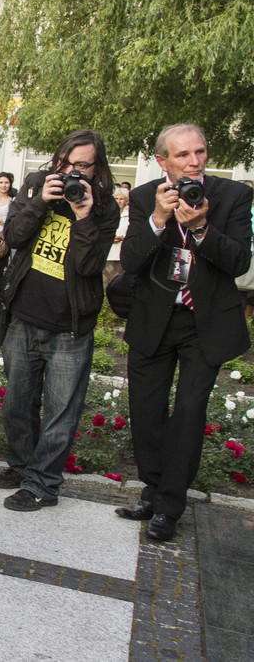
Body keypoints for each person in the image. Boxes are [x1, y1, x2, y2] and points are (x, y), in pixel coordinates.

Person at [117, 124, 253, 542]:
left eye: (200, 152)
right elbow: (131, 260)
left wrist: (201, 230)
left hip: (205, 323)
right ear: (163, 162)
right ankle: (153, 491)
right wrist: (159, 219)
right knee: (146, 411)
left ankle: (170, 507)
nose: (195, 161)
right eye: (183, 155)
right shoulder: (144, 198)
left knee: (189, 414)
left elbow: (238, 262)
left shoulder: (232, 196)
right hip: (155, 320)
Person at [0, 130, 121, 511]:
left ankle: (43, 484)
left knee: (60, 412)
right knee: (17, 403)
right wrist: (40, 204)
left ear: (97, 169)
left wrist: (83, 216)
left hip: (69, 326)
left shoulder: (104, 207)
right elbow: (13, 236)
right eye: (65, 163)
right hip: (24, 316)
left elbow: (89, 265)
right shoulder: (36, 186)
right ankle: (22, 465)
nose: (70, 172)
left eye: (81, 166)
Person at [103, 188, 130, 285]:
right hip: (108, 253)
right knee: (105, 282)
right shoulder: (106, 213)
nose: (119, 201)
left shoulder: (130, 216)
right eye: (116, 198)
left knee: (117, 282)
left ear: (126, 200)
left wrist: (123, 238)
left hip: (120, 255)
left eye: (121, 199)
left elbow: (132, 234)